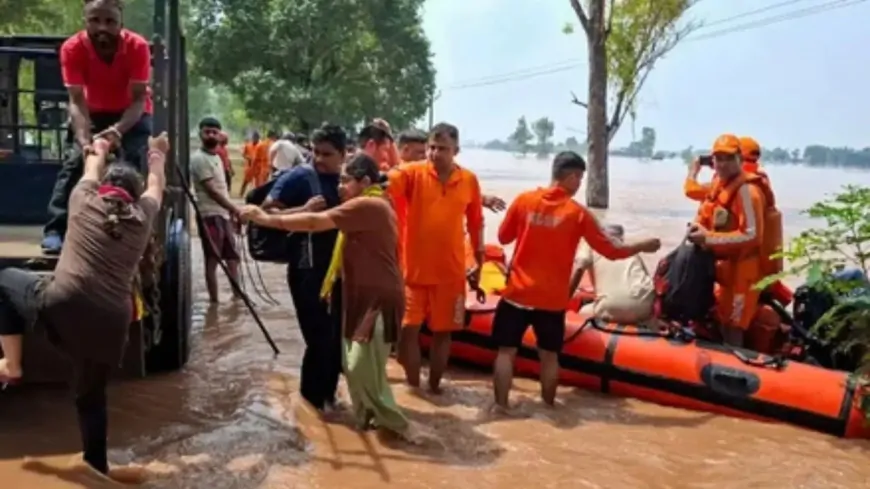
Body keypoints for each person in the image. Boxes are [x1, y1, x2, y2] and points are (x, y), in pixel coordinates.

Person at [0, 132, 168, 478]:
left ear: (104, 186)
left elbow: (91, 164)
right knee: (91, 399)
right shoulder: (143, 217)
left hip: (63, 302)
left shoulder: (82, 197)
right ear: (134, 195)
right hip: (111, 327)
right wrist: (157, 155)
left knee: (3, 280)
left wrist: (101, 147)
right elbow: (157, 185)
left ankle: (12, 366)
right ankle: (96, 467)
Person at [240, 153, 415, 439]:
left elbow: (315, 222)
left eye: (345, 181)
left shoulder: (368, 204)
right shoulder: (371, 203)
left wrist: (265, 218)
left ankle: (403, 429)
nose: (339, 187)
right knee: (353, 365)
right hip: (360, 297)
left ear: (365, 181)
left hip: (378, 298)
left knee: (360, 366)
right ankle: (369, 425)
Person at [492, 151, 661, 410]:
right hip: (551, 301)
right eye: (580, 179)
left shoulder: (524, 201)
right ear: (571, 176)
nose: (580, 184)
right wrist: (643, 245)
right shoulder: (578, 214)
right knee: (549, 356)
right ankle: (549, 410)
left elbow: (503, 238)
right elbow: (611, 251)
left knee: (506, 353)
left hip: (517, 294)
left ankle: (501, 408)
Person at [42, 0, 153, 254]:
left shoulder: (137, 47)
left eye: (110, 21)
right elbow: (76, 101)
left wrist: (118, 130)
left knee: (131, 164)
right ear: (85, 21)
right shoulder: (72, 48)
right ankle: (55, 230)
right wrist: (84, 141)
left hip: (131, 113)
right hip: (91, 111)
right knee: (74, 164)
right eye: (95, 20)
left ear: (121, 23)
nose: (102, 28)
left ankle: (132, 229)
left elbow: (139, 99)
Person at [389, 122, 484, 393]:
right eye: (431, 147)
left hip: (451, 274)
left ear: (456, 151)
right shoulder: (412, 173)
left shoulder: (469, 180)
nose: (435, 153)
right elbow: (388, 182)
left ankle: (434, 387)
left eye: (442, 148)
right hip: (413, 273)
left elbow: (476, 224)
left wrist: (478, 262)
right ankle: (413, 388)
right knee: (407, 331)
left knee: (444, 333)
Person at [261, 123, 344, 414]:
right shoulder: (299, 177)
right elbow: (266, 211)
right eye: (315, 152)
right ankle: (310, 406)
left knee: (336, 342)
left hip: (339, 273)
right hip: (306, 271)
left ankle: (329, 401)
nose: (319, 159)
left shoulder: (348, 182)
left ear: (343, 155)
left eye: (327, 154)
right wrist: (304, 211)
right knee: (318, 339)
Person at [689, 134, 768, 347]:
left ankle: (735, 362)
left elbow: (753, 235)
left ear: (740, 160)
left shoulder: (748, 192)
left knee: (734, 328)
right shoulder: (720, 186)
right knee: (722, 322)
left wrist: (709, 238)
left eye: (728, 158)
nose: (722, 164)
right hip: (724, 271)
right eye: (718, 158)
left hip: (742, 272)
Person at [191, 117, 242, 303]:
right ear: (200, 134)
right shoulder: (199, 159)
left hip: (223, 214)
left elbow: (223, 189)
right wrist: (235, 209)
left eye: (215, 132)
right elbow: (212, 191)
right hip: (209, 215)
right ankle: (214, 302)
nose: (211, 135)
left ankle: (238, 297)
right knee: (213, 259)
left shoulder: (218, 157)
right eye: (207, 132)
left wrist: (231, 213)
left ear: (220, 135)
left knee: (232, 258)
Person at [570, 224, 656, 324]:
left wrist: (564, 300)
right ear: (621, 239)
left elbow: (579, 268)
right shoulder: (632, 251)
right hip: (646, 306)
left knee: (582, 312)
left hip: (612, 307)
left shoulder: (590, 244)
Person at [239, 130, 260, 197]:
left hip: (257, 167)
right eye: (254, 137)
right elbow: (243, 154)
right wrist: (247, 157)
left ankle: (256, 195)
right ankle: (241, 194)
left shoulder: (260, 146)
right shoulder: (248, 145)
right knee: (245, 181)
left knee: (257, 182)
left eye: (256, 138)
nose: (255, 139)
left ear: (258, 138)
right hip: (249, 167)